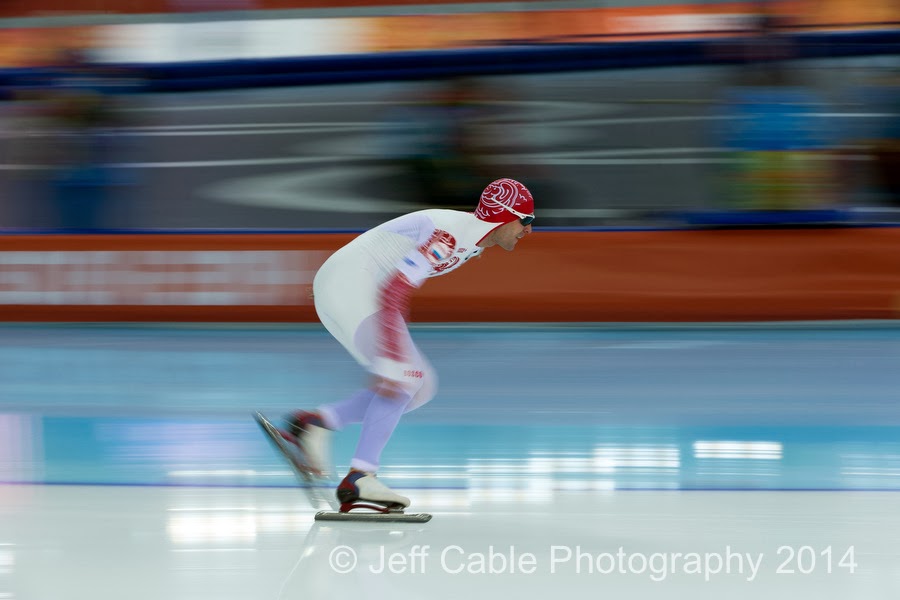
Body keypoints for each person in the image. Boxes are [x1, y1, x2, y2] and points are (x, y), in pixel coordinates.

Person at [276, 178, 535, 513]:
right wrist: (391, 357)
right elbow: (396, 288)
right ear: (504, 216)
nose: (529, 230)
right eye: (526, 220)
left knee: (420, 386)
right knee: (405, 375)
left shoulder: (471, 240)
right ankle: (360, 476)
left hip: (349, 285)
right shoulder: (451, 236)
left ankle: (317, 423)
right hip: (353, 286)